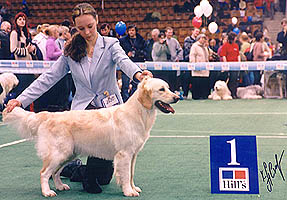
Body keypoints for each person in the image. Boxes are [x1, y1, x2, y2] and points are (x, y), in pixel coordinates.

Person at [6, 3, 152, 194]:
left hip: (110, 113)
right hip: (83, 113)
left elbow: (124, 62)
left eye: (90, 26)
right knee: (92, 179)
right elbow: (48, 78)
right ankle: (79, 172)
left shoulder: (111, 45)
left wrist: (138, 75)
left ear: (97, 21)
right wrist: (21, 100)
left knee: (104, 178)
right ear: (75, 28)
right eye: (81, 28)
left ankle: (74, 169)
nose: (87, 32)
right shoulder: (70, 50)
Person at [10, 12, 37, 99]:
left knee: (27, 88)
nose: (22, 21)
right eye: (20, 19)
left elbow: (28, 49)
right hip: (20, 66)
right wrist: (26, 50)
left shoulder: (25, 34)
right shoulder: (14, 33)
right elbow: (13, 49)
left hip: (28, 65)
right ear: (16, 21)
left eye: (24, 19)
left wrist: (32, 49)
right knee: (21, 89)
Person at [119, 24, 147, 102]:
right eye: (129, 30)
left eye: (132, 30)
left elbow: (145, 51)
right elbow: (119, 52)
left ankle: (133, 100)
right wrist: (127, 53)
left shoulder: (141, 40)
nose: (131, 32)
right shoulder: (122, 41)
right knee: (125, 85)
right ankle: (125, 101)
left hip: (138, 64)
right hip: (126, 64)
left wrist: (137, 53)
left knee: (136, 85)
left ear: (135, 31)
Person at [189, 34, 210, 100]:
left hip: (205, 68)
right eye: (203, 38)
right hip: (197, 68)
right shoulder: (194, 46)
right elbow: (192, 55)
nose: (204, 40)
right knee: (197, 82)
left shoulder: (205, 47)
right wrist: (193, 65)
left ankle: (204, 95)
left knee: (204, 82)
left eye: (205, 39)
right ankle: (196, 96)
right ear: (199, 39)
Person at [220, 32, 241, 98]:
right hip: (229, 66)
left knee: (235, 80)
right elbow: (223, 55)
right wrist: (226, 65)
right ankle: (230, 93)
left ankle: (234, 93)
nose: (236, 39)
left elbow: (238, 55)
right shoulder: (225, 46)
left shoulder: (236, 45)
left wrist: (239, 63)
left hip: (236, 66)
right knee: (230, 80)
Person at [181, 27, 200, 99]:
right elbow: (188, 49)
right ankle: (185, 94)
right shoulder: (187, 39)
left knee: (194, 79)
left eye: (198, 32)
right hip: (187, 62)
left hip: (196, 62)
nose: (197, 33)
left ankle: (195, 95)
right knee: (186, 78)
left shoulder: (199, 41)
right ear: (192, 31)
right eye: (196, 31)